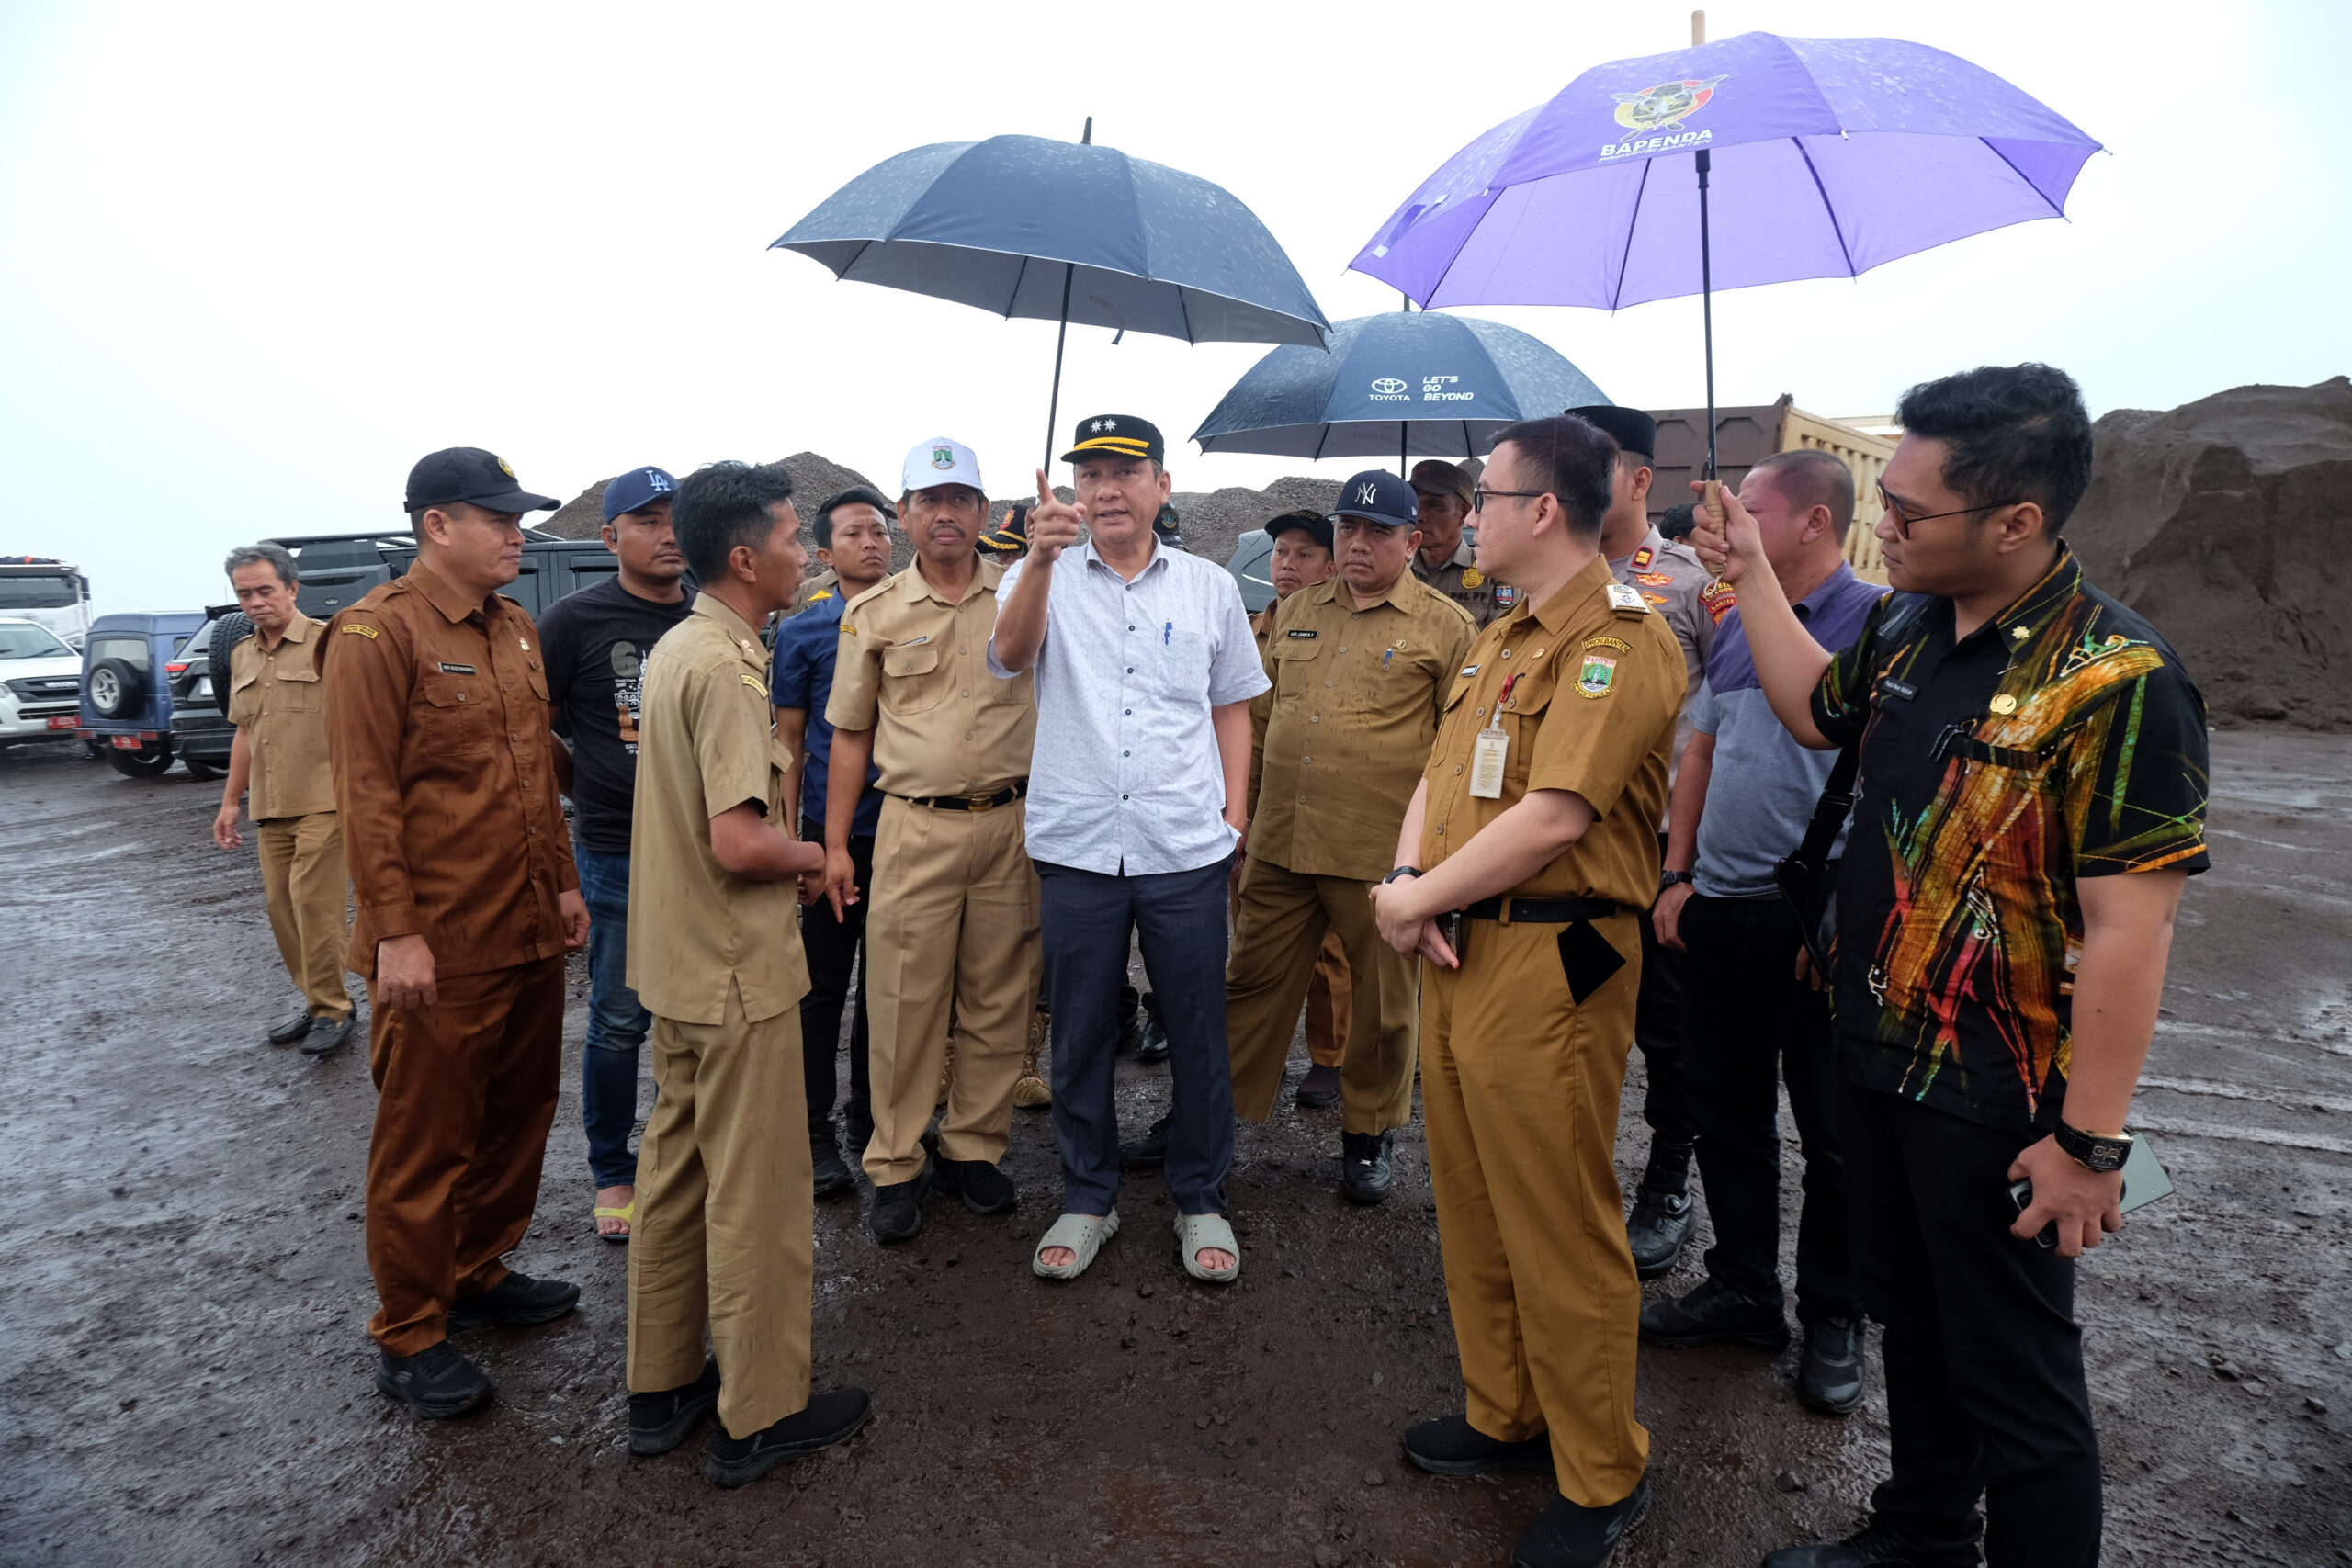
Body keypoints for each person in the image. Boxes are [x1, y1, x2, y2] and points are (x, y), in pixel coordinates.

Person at [1690, 365, 2210, 1568]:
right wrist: (1750, 570)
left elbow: (2132, 931)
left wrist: (2087, 1144)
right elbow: (1815, 711)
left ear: (2016, 520)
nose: (1883, 525)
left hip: (1998, 1086)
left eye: (1908, 511)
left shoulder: (2118, 680)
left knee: (2017, 1376)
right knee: (1912, 1320)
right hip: (1875, 1047)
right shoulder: (1905, 625)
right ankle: (1922, 1533)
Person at [1372, 413, 1682, 1568]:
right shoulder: (1499, 634)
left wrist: (1409, 903)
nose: (1466, 520)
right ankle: (1502, 1409)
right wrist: (1411, 882)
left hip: (1554, 959)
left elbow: (1555, 816)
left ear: (1541, 509)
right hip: (1462, 942)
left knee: (1557, 1216)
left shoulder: (1620, 640)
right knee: (1471, 1196)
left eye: (1487, 500)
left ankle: (1601, 1468)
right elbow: (1439, 775)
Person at [321, 447, 590, 1419]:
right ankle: (409, 1330)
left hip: (524, 924)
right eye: (499, 519)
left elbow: (532, 774)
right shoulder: (374, 633)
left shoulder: (512, 626)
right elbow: (366, 794)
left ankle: (476, 1272)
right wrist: (395, 933)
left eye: (519, 519)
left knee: (518, 1116)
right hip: (438, 944)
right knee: (425, 1140)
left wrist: (565, 884)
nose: (518, 534)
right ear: (438, 525)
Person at [622, 458, 870, 1488]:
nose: (803, 551)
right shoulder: (724, 666)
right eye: (790, 536)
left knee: (677, 1178)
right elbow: (738, 841)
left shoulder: (681, 647)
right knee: (757, 1194)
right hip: (734, 975)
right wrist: (821, 855)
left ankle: (663, 1386)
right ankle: (761, 1411)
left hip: (679, 968)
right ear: (742, 557)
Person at [990, 415, 1267, 1284]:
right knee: (1080, 1030)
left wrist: (1234, 815)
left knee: (1197, 1027)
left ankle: (1200, 1194)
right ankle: (1088, 1195)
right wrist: (1039, 559)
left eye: (1126, 472)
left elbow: (1232, 705)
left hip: (1184, 844)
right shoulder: (1035, 575)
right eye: (1090, 474)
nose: (1106, 489)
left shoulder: (1209, 587)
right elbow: (1010, 656)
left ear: (1161, 485)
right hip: (1079, 845)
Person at [1639, 449, 1881, 1416]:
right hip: (1718, 910)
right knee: (1726, 1112)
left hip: (1816, 928)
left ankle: (1835, 1311)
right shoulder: (1738, 624)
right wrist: (1677, 875)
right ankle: (1743, 1288)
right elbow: (1700, 751)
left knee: (1833, 1134)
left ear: (1813, 521)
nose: (1724, 522)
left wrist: (1842, 916)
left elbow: (1888, 788)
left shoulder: (1879, 625)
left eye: (1749, 508)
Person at [1222, 474, 1475, 1203]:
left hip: (1379, 859)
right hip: (1281, 842)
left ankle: (1368, 1132)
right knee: (1250, 984)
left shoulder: (1447, 627)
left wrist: (1430, 864)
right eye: (1348, 528)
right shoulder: (1297, 611)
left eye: (1378, 531)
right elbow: (1259, 722)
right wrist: (1240, 818)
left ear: (1412, 541)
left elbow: (1456, 754)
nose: (1359, 543)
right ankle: (1214, 1116)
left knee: (1383, 1006)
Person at [824, 438, 1041, 1245]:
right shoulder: (874, 612)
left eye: (960, 500)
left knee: (999, 995)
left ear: (983, 512)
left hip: (1012, 822)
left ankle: (972, 1147)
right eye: (929, 500)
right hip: (915, 825)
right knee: (902, 1000)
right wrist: (835, 844)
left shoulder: (1023, 592)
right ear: (905, 513)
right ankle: (895, 1161)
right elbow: (851, 733)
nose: (945, 514)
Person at [1570, 402, 1722, 1280]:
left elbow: (1729, 721)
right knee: (1579, 1013)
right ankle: (1570, 1174)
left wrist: (1690, 863)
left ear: (1637, 479)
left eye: (1594, 466)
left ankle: (1667, 1180)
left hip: (1659, 856)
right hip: (1573, 857)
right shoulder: (1550, 576)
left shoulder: (1694, 584)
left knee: (1669, 1033)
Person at [536, 465, 693, 1243]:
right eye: (648, 520)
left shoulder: (710, 615)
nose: (668, 533)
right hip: (617, 848)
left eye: (675, 518)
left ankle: (682, 1155)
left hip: (703, 850)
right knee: (620, 1016)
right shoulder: (573, 620)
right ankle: (612, 1168)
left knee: (695, 1012)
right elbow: (533, 727)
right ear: (610, 536)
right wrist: (585, 786)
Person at [771, 486, 893, 1198]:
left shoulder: (913, 616)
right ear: (824, 551)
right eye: (854, 533)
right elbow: (789, 740)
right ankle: (811, 1127)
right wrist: (796, 840)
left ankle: (870, 1118)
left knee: (888, 988)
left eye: (879, 530)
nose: (871, 542)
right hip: (829, 834)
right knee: (821, 985)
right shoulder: (804, 631)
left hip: (904, 829)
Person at [210, 542, 356, 1057]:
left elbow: (362, 719)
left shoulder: (329, 643)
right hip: (270, 807)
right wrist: (230, 802)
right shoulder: (242, 654)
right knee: (283, 912)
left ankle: (334, 1009)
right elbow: (244, 732)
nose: (255, 602)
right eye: (244, 594)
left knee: (316, 909)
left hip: (324, 801)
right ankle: (317, 1002)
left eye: (265, 590)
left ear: (293, 588)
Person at [1249, 509, 1351, 1109]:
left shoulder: (1339, 632)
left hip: (1318, 811)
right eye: (1281, 552)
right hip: (1257, 806)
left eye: (1304, 554)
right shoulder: (1249, 627)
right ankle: (1250, 1064)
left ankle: (1330, 1056)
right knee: (1255, 938)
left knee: (1327, 949)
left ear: (1332, 567)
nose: (1287, 564)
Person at [1408, 457, 1508, 629]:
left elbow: (1503, 638)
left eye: (1433, 505)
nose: (1420, 515)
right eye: (1415, 505)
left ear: (1463, 513)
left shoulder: (1493, 574)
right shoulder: (1395, 569)